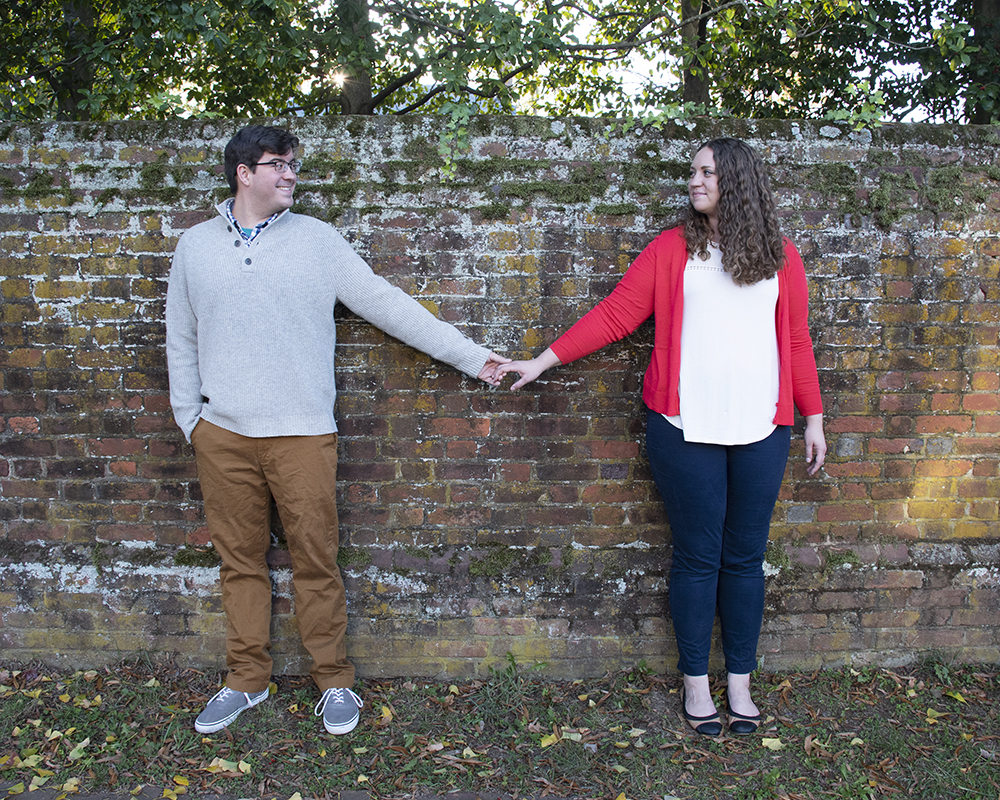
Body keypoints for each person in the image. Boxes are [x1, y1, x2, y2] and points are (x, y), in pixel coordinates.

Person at [166, 124, 509, 737]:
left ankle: (333, 680)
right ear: (244, 173)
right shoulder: (195, 246)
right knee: (238, 562)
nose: (290, 174)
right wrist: (191, 420)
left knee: (315, 559)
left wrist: (473, 358)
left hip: (302, 434)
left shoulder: (317, 241)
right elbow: (180, 338)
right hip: (222, 435)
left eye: (293, 164)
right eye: (278, 164)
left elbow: (387, 303)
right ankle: (246, 679)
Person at [498, 138, 826, 736]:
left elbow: (797, 340)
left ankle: (740, 683)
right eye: (692, 171)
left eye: (706, 172)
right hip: (683, 427)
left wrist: (815, 417)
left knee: (745, 559)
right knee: (698, 557)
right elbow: (615, 315)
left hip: (763, 427)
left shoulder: (781, 256)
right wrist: (542, 361)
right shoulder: (672, 250)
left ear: (736, 180)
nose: (694, 181)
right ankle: (696, 682)